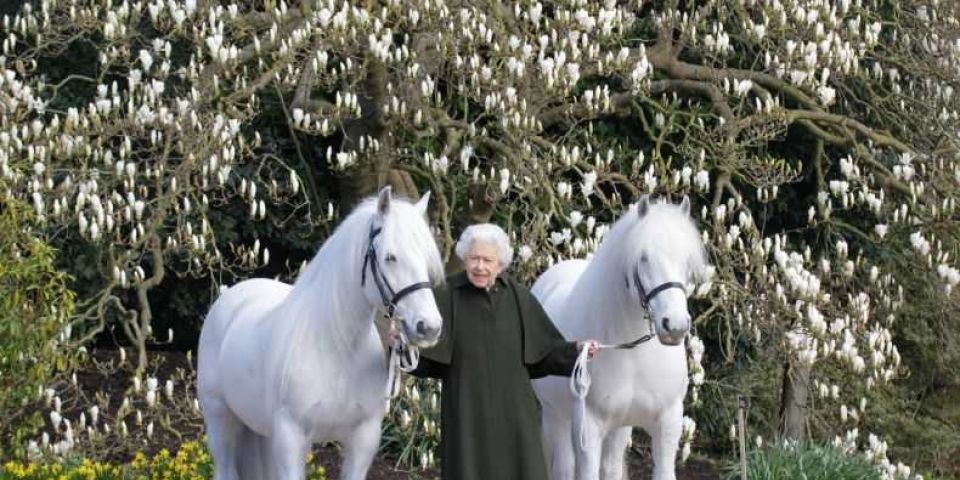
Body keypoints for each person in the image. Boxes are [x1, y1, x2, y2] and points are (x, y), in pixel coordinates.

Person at [392, 223, 598, 480]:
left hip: (515, 417)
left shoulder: (518, 298)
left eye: (487, 260)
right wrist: (404, 346)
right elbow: (429, 361)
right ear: (464, 258)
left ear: (500, 264)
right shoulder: (445, 295)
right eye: (474, 258)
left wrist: (576, 351)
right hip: (467, 414)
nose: (480, 266)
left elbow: (544, 354)